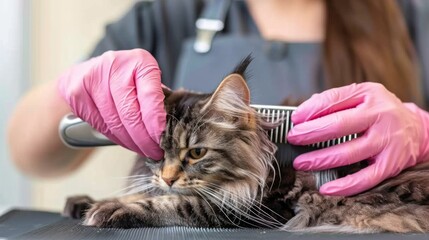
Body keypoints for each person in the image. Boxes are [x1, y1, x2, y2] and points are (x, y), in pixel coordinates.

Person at [7, 0, 429, 196]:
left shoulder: (410, 17)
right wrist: (73, 87)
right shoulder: (169, 14)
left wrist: (422, 132)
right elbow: (28, 155)